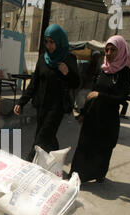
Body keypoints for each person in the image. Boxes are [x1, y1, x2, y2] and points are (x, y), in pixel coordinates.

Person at [69, 35, 130, 183]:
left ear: (121, 51)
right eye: (107, 50)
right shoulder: (104, 70)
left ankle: (97, 174)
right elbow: (92, 95)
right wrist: (83, 113)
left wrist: (100, 95)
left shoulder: (124, 72)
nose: (109, 53)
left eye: (113, 50)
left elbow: (121, 98)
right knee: (84, 146)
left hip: (108, 119)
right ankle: (76, 175)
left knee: (102, 149)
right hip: (92, 115)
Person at [14, 24, 80, 161]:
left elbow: (77, 83)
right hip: (41, 106)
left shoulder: (68, 59)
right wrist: (21, 102)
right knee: (46, 136)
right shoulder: (43, 59)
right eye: (47, 41)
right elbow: (34, 83)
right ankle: (55, 160)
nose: (49, 45)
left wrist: (67, 73)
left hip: (57, 108)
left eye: (52, 42)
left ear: (59, 41)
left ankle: (28, 162)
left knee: (42, 136)